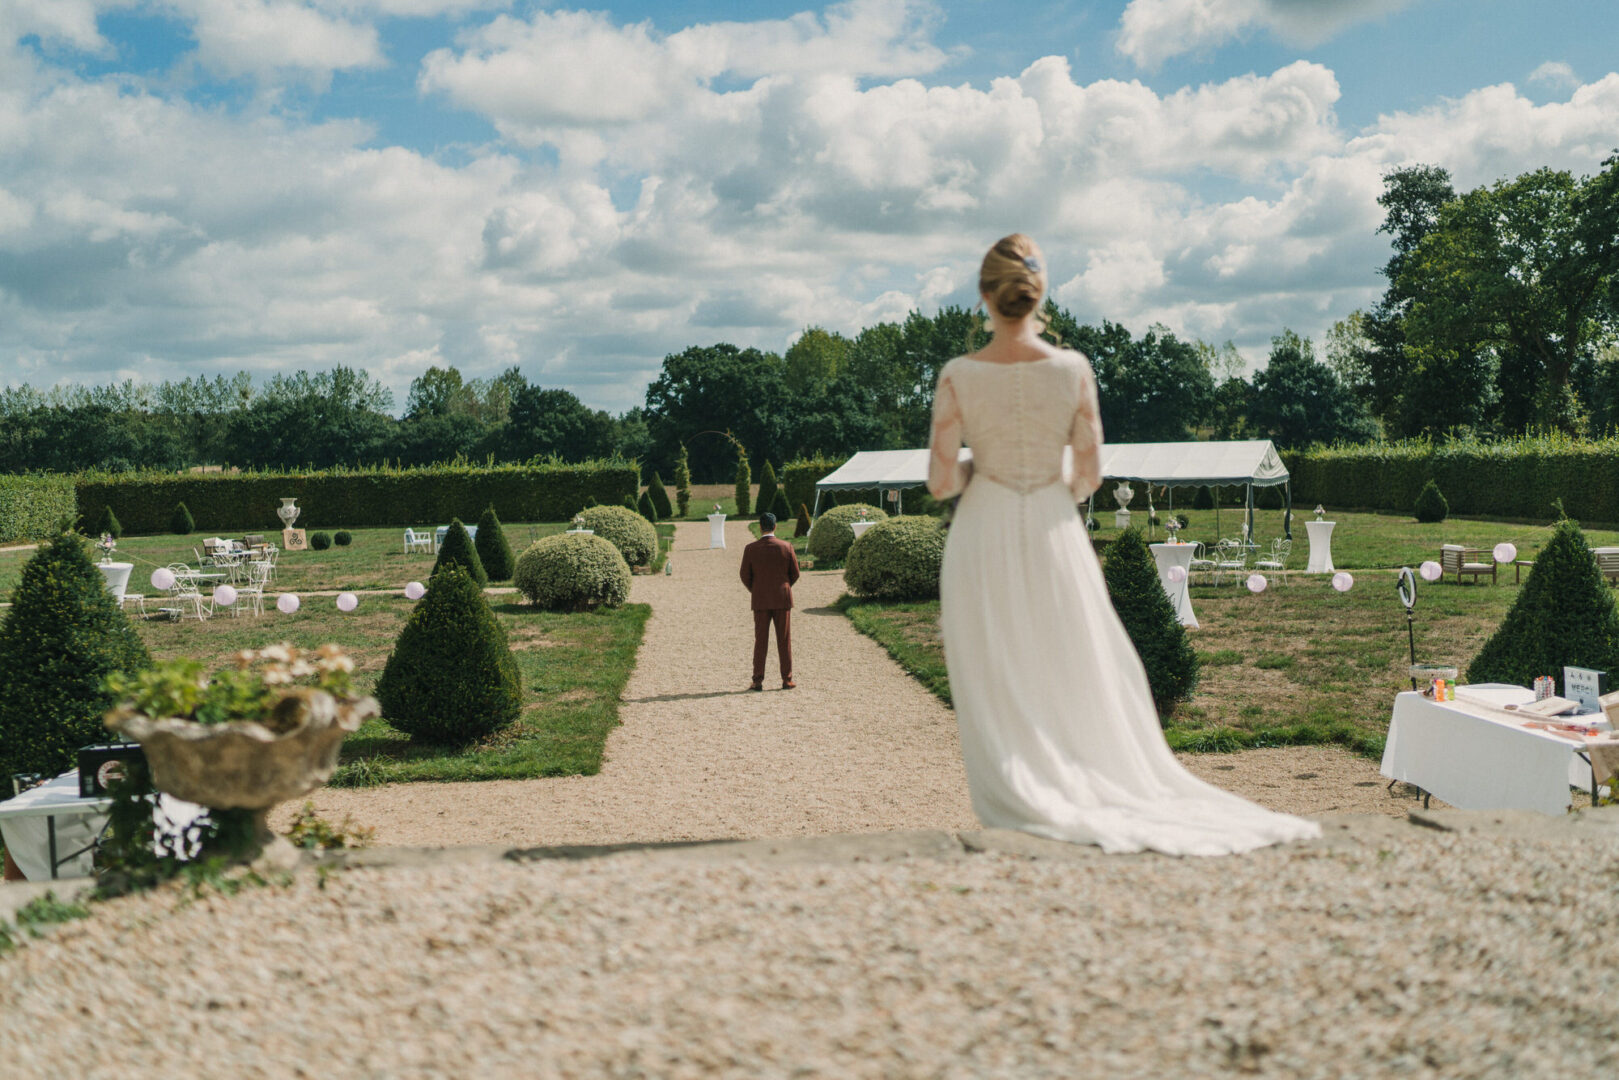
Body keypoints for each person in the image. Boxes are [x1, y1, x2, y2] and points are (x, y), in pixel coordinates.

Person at [926, 233, 1320, 855]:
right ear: (1039, 292)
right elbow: (1089, 475)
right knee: (1068, 651)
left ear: (983, 295)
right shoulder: (1073, 369)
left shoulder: (958, 375)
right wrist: (1043, 484)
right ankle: (1079, 775)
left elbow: (942, 478)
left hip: (986, 523)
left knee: (995, 656)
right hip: (1055, 522)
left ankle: (1013, 789)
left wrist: (987, 475)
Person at [740, 512, 800, 690]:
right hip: (782, 598)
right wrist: (785, 586)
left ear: (760, 527)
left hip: (760, 599)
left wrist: (756, 589)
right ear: (775, 526)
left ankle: (757, 680)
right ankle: (787, 679)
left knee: (761, 641)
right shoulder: (786, 546)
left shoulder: (750, 549)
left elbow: (744, 575)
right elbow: (795, 573)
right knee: (784, 640)